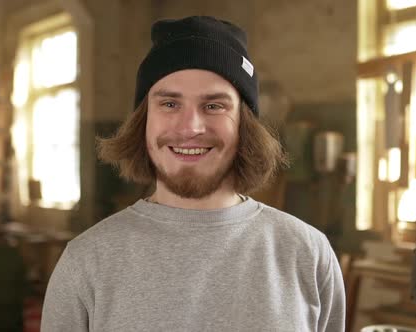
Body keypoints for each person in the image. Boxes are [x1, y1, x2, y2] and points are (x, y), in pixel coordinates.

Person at [41, 15, 345, 332]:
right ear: (143, 121)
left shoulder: (307, 253)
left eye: (214, 106)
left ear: (245, 125)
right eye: (170, 104)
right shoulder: (86, 261)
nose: (190, 128)